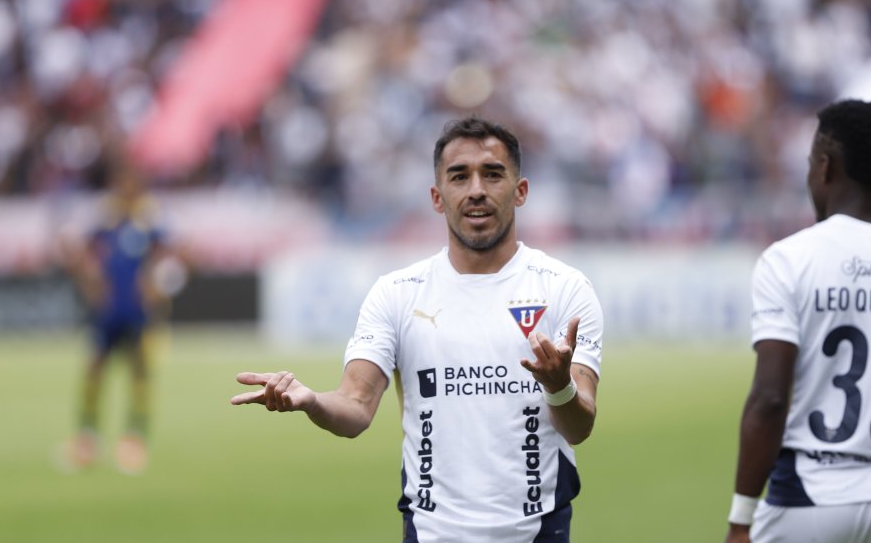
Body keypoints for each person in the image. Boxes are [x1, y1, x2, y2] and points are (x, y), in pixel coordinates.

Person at [232, 117, 604, 542]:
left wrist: (559, 386)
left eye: (493, 174)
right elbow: (355, 408)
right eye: (459, 176)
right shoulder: (397, 293)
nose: (476, 189)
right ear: (437, 196)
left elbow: (580, 426)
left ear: (520, 191)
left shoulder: (564, 288)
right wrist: (313, 401)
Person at [726, 99, 871, 542]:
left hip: (808, 497)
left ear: (825, 166)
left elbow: (770, 399)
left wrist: (741, 518)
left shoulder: (789, 260)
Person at [64, 161, 172, 475]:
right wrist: (91, 284)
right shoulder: (106, 219)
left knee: (139, 373)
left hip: (136, 311)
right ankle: (87, 437)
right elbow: (79, 251)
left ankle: (135, 438)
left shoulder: (148, 220)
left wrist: (155, 287)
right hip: (109, 312)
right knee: (95, 371)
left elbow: (172, 254)